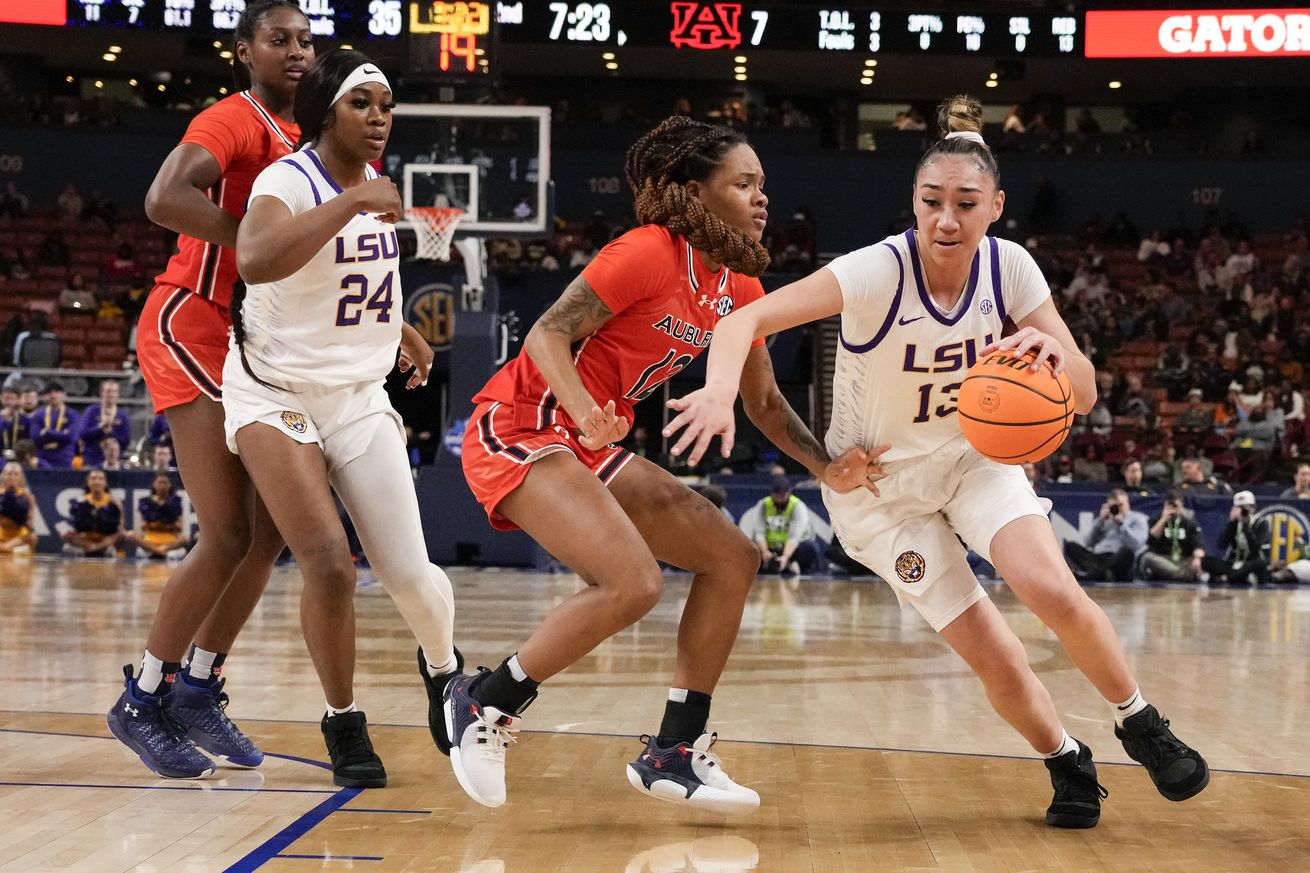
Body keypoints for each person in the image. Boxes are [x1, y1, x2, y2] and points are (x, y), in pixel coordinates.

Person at [663, 95, 1209, 828]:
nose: (946, 219)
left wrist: (1061, 356)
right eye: (931, 202)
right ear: (912, 204)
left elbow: (1081, 392)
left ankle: (1140, 720)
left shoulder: (1009, 267)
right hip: (880, 496)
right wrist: (720, 391)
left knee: (1052, 588)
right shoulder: (874, 273)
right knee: (996, 653)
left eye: (965, 203)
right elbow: (743, 318)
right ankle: (1064, 757)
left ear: (996, 207)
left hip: (972, 458)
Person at [454, 115, 828, 812]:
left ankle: (674, 751)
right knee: (634, 582)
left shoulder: (740, 289)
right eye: (743, 182)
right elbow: (547, 334)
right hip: (522, 424)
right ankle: (483, 703)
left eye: (762, 184)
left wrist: (833, 468)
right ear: (695, 191)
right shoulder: (649, 251)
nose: (761, 196)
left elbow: (768, 403)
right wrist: (585, 410)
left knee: (733, 556)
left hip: (585, 443)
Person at [228, 48, 460, 788]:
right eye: (364, 103)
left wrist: (403, 331)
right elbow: (255, 259)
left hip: (358, 393)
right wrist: (349, 204)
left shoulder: (374, 188)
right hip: (276, 392)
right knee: (329, 561)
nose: (380, 117)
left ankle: (445, 673)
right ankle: (342, 717)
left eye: (387, 105)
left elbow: (356, 279)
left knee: (409, 574)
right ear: (326, 109)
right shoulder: (288, 180)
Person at [108, 0, 313, 782]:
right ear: (244, 51)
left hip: (248, 342)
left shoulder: (310, 142)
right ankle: (144, 695)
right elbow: (166, 197)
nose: (294, 51)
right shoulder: (236, 116)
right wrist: (251, 243)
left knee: (268, 534)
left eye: (304, 41)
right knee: (227, 530)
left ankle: (198, 686)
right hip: (188, 322)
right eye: (278, 39)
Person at [738, 476, 824, 575]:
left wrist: (785, 557)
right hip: (770, 548)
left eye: (782, 494)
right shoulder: (763, 504)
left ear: (789, 492)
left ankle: (810, 576)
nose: (779, 497)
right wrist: (765, 552)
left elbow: (794, 536)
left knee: (811, 547)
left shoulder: (798, 506)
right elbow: (759, 532)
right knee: (751, 549)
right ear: (772, 493)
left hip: (794, 547)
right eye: (776, 493)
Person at [1064, 489, 1148, 582]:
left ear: (1127, 502)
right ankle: (1102, 572)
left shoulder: (1138, 518)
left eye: (1121, 505)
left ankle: (1093, 574)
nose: (1118, 509)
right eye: (1114, 507)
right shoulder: (1105, 520)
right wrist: (1100, 521)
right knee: (1070, 546)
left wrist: (1121, 523)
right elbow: (1088, 543)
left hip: (1118, 557)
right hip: (1098, 557)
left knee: (1127, 552)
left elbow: (1137, 543)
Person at [1200, 491, 1271, 586]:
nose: (1242, 511)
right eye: (1239, 507)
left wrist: (1245, 526)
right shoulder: (1234, 524)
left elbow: (1255, 548)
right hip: (1234, 564)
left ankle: (1226, 578)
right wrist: (1230, 523)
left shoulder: (1261, 523)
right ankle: (1242, 577)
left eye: (1245, 508)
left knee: (1260, 564)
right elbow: (1221, 545)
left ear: (1253, 509)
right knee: (1204, 560)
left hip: (1251, 564)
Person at [1138, 491, 1206, 581]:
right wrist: (1163, 519)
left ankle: (1175, 575)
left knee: (1201, 559)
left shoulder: (1190, 524)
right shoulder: (1156, 521)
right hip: (1163, 560)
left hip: (1183, 559)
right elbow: (1151, 541)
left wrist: (1197, 558)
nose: (1172, 509)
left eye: (1175, 506)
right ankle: (1182, 575)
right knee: (1147, 558)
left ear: (1181, 506)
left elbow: (1198, 544)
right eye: (1169, 506)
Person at [127, 473, 192, 559]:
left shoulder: (176, 502)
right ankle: (159, 551)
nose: (162, 486)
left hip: (169, 541)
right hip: (150, 540)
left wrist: (166, 525)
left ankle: (160, 550)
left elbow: (180, 527)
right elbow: (143, 526)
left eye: (165, 483)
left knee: (185, 538)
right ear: (154, 484)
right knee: (131, 535)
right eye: (159, 482)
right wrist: (154, 524)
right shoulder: (146, 502)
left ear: (169, 485)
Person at [62, 469, 124, 557]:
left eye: (100, 479)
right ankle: (89, 547)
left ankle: (96, 548)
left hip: (104, 540)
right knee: (65, 533)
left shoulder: (114, 502)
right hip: (85, 538)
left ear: (105, 483)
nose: (96, 482)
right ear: (88, 482)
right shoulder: (80, 501)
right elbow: (73, 524)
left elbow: (119, 527)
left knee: (121, 533)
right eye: (93, 478)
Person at [78, 379, 131, 468]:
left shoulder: (123, 415)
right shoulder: (91, 411)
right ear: (102, 393)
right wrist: (99, 427)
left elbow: (126, 441)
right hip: (92, 461)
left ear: (118, 394)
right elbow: (82, 434)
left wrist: (111, 433)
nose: (111, 395)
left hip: (114, 463)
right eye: (108, 391)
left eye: (114, 392)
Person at [32, 382, 76, 468]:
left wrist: (47, 432)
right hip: (42, 458)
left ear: (64, 395)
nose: (53, 395)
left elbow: (71, 436)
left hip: (64, 458)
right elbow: (35, 437)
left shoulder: (72, 414)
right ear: (45, 397)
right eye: (49, 393)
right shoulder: (38, 414)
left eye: (57, 392)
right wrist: (61, 433)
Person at [0, 462, 38, 554]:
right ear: (3, 476)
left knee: (33, 537)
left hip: (18, 536)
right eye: (9, 474)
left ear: (21, 478)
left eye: (16, 474)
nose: (12, 477)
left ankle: (6, 549)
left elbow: (29, 525)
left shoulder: (27, 496)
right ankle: (11, 550)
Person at [0, 385, 31, 455]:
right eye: (6, 399)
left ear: (18, 400)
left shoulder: (25, 420)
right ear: (1, 399)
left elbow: (29, 441)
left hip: (20, 456)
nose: (9, 402)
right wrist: (3, 421)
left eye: (12, 399)